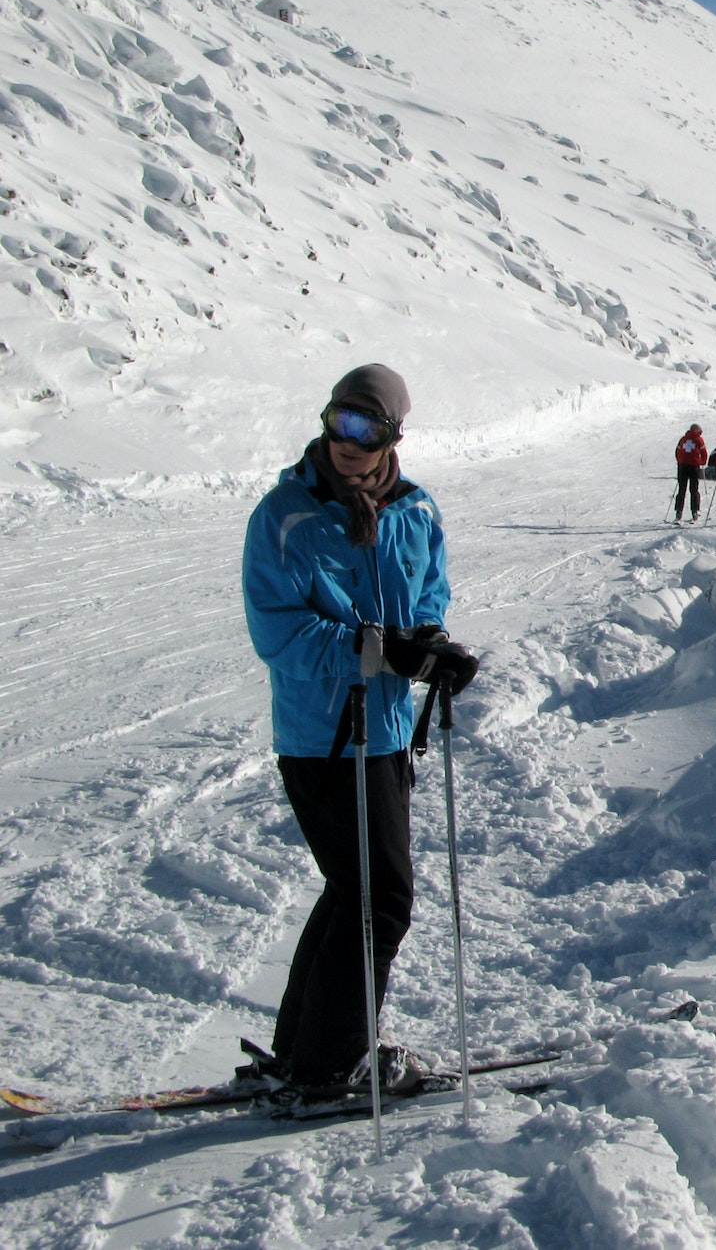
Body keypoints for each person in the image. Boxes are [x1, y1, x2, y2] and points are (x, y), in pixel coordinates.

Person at [241, 365, 478, 1094]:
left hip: (384, 734)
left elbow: (427, 593)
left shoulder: (415, 510)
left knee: (355, 891)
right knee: (381, 899)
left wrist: (431, 647)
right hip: (323, 738)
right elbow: (279, 633)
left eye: (365, 427)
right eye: (338, 421)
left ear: (391, 436)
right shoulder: (284, 516)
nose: (347, 441)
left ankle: (302, 1049)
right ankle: (331, 1063)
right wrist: (380, 649)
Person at [673, 422, 707, 522]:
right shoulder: (699, 439)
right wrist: (702, 462)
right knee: (694, 489)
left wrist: (680, 462)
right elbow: (704, 453)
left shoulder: (683, 439)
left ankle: (678, 513)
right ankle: (695, 512)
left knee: (681, 489)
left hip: (682, 466)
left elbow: (677, 452)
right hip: (694, 467)